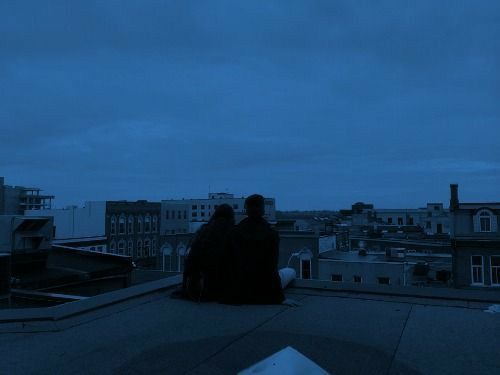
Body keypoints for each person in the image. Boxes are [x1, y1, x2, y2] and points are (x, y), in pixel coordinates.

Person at [220, 194, 285, 305]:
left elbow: (229, 264)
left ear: (246, 210)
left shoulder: (234, 232)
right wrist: (280, 298)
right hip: (263, 291)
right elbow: (272, 267)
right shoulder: (271, 234)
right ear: (262, 210)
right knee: (289, 272)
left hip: (239, 290)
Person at [173, 204, 235, 301]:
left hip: (197, 287)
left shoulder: (203, 231)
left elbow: (189, 260)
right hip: (218, 288)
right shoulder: (231, 233)